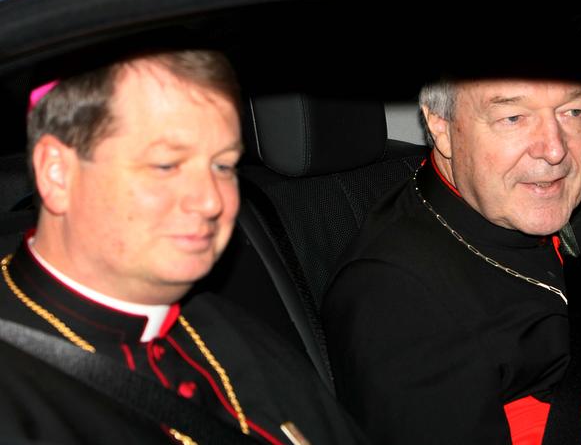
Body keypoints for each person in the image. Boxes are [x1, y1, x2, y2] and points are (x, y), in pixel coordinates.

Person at [0, 49, 366, 445]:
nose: (211, 201)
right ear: (57, 174)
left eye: (223, 166)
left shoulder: (234, 332)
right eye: (166, 165)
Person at [323, 34, 581, 444]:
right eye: (513, 118)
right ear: (441, 128)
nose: (555, 150)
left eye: (572, 112)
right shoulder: (394, 297)